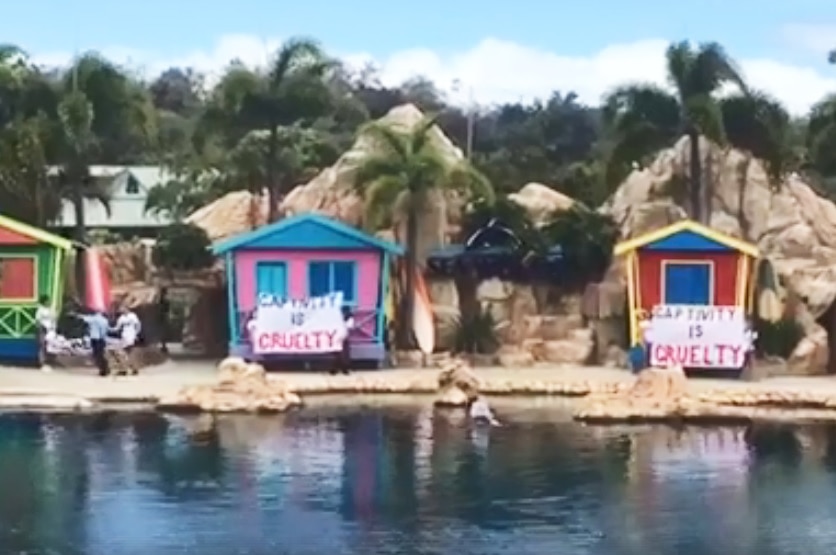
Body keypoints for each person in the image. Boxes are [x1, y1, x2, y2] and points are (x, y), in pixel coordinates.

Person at [76, 308, 111, 377]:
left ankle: (103, 370)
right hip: (102, 339)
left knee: (97, 355)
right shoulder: (105, 320)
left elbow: (83, 318)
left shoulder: (93, 319)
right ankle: (106, 368)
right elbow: (106, 330)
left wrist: (76, 315)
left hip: (95, 338)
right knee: (101, 354)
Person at [114, 306, 142, 375]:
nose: (120, 310)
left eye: (121, 309)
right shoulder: (123, 317)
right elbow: (117, 327)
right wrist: (136, 334)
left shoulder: (130, 316)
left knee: (120, 352)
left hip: (127, 337)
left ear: (126, 309)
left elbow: (117, 328)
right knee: (130, 353)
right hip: (129, 337)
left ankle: (124, 369)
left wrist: (136, 333)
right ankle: (135, 369)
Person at [35, 295, 56, 370]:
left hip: (50, 329)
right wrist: (40, 329)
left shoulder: (51, 309)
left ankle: (48, 361)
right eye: (47, 301)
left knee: (48, 346)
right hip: (42, 328)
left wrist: (53, 328)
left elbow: (54, 319)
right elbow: (38, 320)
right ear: (44, 302)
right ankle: (41, 363)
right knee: (42, 345)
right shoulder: (40, 310)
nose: (49, 302)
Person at [331, 306, 354, 375]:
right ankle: (336, 369)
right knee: (338, 354)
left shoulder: (349, 318)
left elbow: (349, 326)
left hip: (343, 337)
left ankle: (344, 369)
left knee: (343, 354)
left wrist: (343, 321)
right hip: (338, 337)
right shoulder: (338, 317)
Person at [158, 287, 170, 355]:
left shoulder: (161, 300)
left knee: (162, 332)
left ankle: (163, 345)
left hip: (161, 317)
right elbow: (167, 310)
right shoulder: (164, 301)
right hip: (163, 317)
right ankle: (163, 345)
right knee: (163, 332)